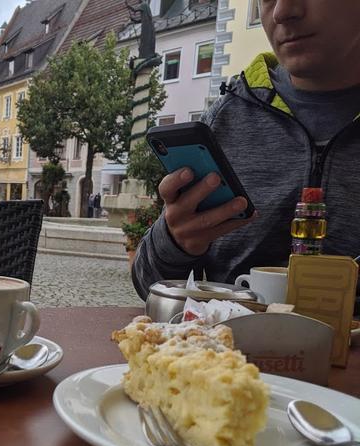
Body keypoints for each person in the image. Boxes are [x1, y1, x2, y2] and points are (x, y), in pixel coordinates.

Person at [132, 0, 360, 313]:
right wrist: (175, 241)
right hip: (228, 357)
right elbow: (148, 284)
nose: (281, 11)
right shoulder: (226, 119)